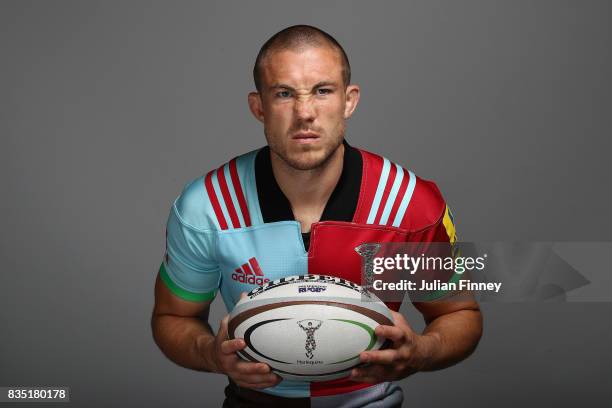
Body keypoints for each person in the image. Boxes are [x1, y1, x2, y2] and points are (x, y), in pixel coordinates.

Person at [151, 24, 482, 407]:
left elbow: (461, 312)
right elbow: (171, 317)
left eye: (322, 91)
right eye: (284, 94)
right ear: (259, 106)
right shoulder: (205, 207)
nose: (304, 113)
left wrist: (421, 351)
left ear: (349, 101)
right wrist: (210, 353)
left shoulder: (411, 204)